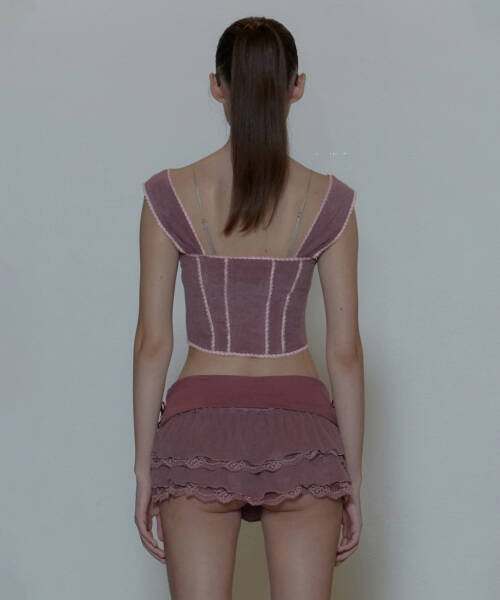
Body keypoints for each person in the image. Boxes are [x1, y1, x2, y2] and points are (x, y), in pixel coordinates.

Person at [133, 16, 364, 599]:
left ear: (218, 85)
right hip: (303, 433)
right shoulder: (332, 203)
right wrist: (352, 480)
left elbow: (153, 344)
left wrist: (143, 468)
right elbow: (345, 354)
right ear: (296, 86)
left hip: (197, 434)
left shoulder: (168, 195)